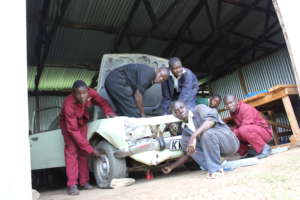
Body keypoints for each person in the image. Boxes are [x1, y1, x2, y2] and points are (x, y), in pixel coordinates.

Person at [60, 80, 116, 195]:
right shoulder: (68, 104)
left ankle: (84, 182)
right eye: (78, 94)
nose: (82, 96)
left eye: (84, 93)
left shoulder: (91, 93)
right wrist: (90, 149)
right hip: (69, 127)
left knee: (83, 152)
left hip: (82, 122)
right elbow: (73, 130)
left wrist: (108, 111)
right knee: (72, 152)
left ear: (88, 91)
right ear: (73, 93)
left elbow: (102, 102)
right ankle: (72, 185)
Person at [162, 101, 239, 178]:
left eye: (181, 107)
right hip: (219, 152)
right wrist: (171, 167)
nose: (180, 111)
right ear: (174, 115)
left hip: (229, 143)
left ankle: (216, 169)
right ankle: (212, 166)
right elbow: (188, 153)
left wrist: (194, 135)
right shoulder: (185, 129)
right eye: (176, 111)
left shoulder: (199, 109)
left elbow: (211, 121)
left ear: (186, 107)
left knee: (207, 134)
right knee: (185, 142)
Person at [105, 63, 169, 117]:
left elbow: (136, 92)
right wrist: (142, 113)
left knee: (123, 110)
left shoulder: (152, 79)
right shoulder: (149, 73)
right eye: (161, 75)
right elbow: (138, 94)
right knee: (134, 113)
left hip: (112, 81)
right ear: (158, 70)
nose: (160, 79)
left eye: (163, 79)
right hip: (117, 81)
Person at [223, 95, 272, 159]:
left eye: (231, 102)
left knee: (242, 130)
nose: (229, 105)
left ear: (236, 101)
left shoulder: (245, 108)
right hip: (251, 132)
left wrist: (234, 132)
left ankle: (265, 148)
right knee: (230, 134)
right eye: (227, 104)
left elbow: (245, 126)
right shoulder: (233, 111)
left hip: (265, 133)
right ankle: (247, 152)